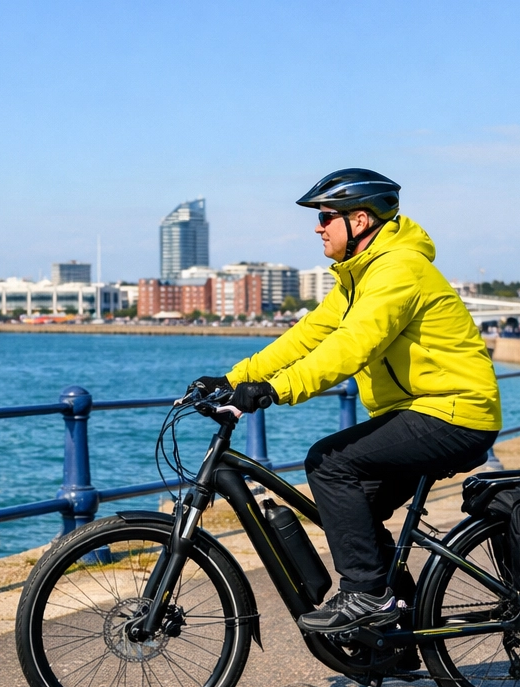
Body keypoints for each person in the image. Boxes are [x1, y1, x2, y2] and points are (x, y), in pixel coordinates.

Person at [193, 168, 501, 635]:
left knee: (329, 464)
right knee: (350, 510)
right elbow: (309, 336)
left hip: (455, 411)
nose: (318, 228)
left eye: (325, 217)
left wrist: (276, 390)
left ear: (359, 221)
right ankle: (399, 622)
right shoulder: (360, 276)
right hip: (422, 410)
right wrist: (234, 377)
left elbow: (353, 346)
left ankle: (368, 596)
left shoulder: (399, 270)